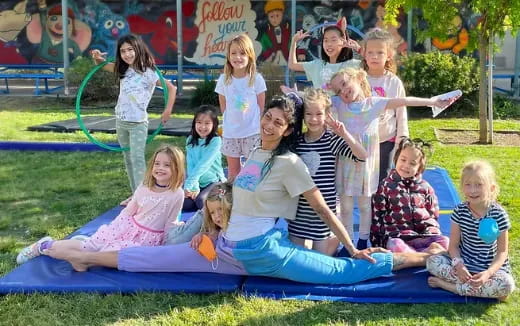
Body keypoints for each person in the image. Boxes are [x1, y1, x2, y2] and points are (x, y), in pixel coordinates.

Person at [54, 96, 441, 286]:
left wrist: (352, 244)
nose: (271, 125)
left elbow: (323, 208)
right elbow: (237, 199)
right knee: (155, 259)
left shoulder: (289, 164)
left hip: (262, 255)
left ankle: (418, 260)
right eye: (268, 118)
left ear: (288, 130)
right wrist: (209, 231)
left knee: (342, 272)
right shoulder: (255, 151)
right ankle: (89, 259)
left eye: (279, 122)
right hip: (224, 251)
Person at [328, 67, 455, 250]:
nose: (343, 91)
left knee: (365, 206)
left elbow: (403, 100)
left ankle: (363, 240)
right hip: (346, 163)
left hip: (366, 166)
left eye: (345, 83)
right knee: (346, 208)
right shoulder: (339, 104)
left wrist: (432, 101)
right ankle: (347, 244)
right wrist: (296, 95)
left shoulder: (374, 103)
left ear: (356, 78)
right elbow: (318, 100)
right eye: (338, 90)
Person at [16, 145, 185, 264]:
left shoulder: (177, 194)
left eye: (167, 165)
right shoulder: (144, 187)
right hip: (127, 228)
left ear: (176, 169)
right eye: (157, 163)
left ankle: (77, 252)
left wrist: (168, 242)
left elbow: (170, 222)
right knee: (88, 248)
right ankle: (44, 246)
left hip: (148, 239)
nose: (160, 168)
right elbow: (129, 211)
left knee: (105, 256)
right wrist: (114, 228)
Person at [91, 34, 177, 205]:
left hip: (137, 123)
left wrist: (167, 110)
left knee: (137, 158)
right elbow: (102, 65)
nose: (127, 54)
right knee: (128, 158)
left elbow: (171, 87)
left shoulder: (149, 73)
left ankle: (144, 196)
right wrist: (97, 58)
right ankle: (136, 194)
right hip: (121, 121)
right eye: (123, 51)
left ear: (138, 49)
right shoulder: (123, 70)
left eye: (130, 49)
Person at [287, 88, 367, 255]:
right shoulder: (297, 142)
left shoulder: (331, 140)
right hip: (299, 210)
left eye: (319, 114)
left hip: (323, 211)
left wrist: (344, 134)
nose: (313, 119)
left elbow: (362, 156)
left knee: (319, 260)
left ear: (327, 114)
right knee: (296, 257)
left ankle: (334, 242)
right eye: (308, 114)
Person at [426, 160, 515, 300]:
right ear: (462, 187)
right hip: (465, 264)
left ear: (491, 188)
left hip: (489, 267)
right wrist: (459, 265)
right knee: (432, 262)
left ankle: (453, 287)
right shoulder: (459, 211)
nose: (473, 190)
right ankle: (479, 289)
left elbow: (502, 252)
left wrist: (487, 274)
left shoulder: (499, 214)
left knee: (506, 285)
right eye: (468, 185)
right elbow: (454, 246)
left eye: (479, 185)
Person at [370, 137, 449, 253]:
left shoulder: (425, 187)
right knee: (395, 245)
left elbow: (433, 214)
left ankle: (419, 255)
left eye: (412, 163)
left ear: (419, 168)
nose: (406, 165)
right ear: (396, 159)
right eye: (403, 160)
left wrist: (431, 229)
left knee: (445, 241)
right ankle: (422, 256)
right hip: (398, 236)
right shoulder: (385, 186)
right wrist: (377, 241)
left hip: (424, 236)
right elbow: (377, 215)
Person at [215, 33, 267, 182]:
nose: (238, 57)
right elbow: (224, 106)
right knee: (233, 173)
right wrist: (230, 125)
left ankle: (251, 201)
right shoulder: (224, 80)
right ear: (228, 56)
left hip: (252, 133)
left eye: (242, 53)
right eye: (234, 53)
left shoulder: (256, 79)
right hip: (231, 134)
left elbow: (260, 106)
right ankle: (234, 202)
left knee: (253, 172)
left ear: (250, 55)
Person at [361, 28, 409, 182]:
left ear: (389, 55)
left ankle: (382, 206)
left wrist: (402, 140)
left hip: (386, 141)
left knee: (383, 180)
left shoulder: (393, 82)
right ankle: (367, 207)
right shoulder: (357, 79)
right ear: (364, 53)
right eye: (371, 52)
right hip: (362, 141)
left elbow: (401, 113)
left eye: (380, 52)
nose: (375, 56)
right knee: (365, 181)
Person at [287, 17, 361, 90]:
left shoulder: (352, 65)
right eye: (326, 40)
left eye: (333, 40)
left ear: (343, 40)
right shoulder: (317, 65)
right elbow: (292, 65)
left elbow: (370, 63)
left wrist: (358, 49)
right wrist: (294, 42)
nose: (329, 44)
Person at [182, 105, 226, 212]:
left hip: (213, 181)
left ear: (214, 124)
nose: (202, 127)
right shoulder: (190, 140)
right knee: (183, 203)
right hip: (196, 182)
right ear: (194, 123)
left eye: (207, 123)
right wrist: (193, 187)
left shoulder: (216, 141)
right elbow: (191, 165)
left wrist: (189, 184)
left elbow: (203, 164)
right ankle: (197, 198)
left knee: (201, 201)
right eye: (199, 122)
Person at [166, 182, 233, 247]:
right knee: (173, 241)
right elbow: (210, 232)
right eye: (212, 212)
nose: (216, 215)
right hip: (172, 234)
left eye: (220, 209)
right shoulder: (215, 229)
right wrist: (201, 235)